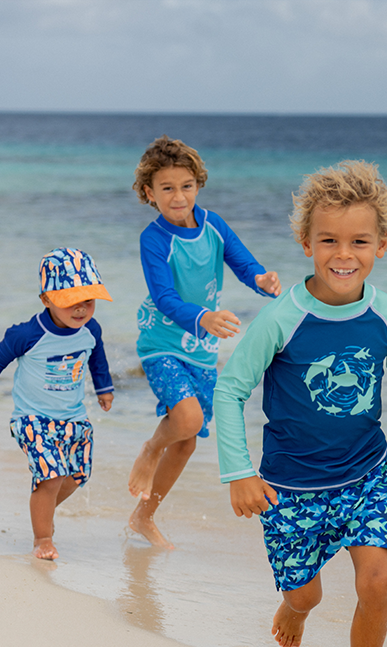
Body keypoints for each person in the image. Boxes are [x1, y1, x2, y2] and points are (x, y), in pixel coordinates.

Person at [214, 160, 387, 647]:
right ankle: (294, 606)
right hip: (291, 488)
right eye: (329, 240)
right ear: (305, 242)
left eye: (359, 241)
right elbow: (231, 390)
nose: (344, 254)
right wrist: (239, 472)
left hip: (366, 475)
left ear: (381, 245)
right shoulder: (282, 319)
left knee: (379, 578)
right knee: (307, 596)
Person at [127, 135, 282, 549]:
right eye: (167, 188)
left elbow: (243, 262)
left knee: (188, 440)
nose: (178, 197)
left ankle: (143, 516)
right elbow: (164, 298)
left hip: (201, 347)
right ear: (149, 193)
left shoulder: (214, 225)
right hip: (162, 341)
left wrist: (262, 280)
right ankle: (149, 448)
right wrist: (205, 318)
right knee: (188, 420)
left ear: (198, 185)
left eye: (186, 186)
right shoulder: (154, 239)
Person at [0, 247, 115, 561]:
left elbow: (96, 357)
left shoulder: (91, 329)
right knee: (50, 476)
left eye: (88, 301)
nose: (80, 310)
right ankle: (42, 537)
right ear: (46, 299)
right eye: (70, 302)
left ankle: (41, 507)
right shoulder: (27, 334)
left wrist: (104, 388)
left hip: (74, 419)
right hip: (32, 418)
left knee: (75, 477)